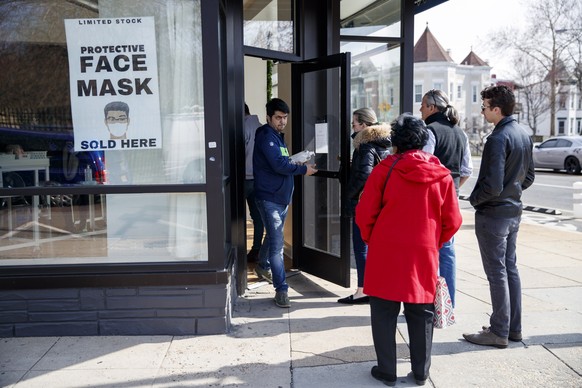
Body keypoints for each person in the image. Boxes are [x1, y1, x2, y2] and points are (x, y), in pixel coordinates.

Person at [356, 113, 462, 386]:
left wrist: (372, 239)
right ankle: (421, 371)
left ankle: (387, 371)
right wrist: (433, 242)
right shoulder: (442, 175)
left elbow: (365, 213)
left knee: (383, 313)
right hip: (423, 253)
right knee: (421, 314)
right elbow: (453, 221)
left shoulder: (385, 169)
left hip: (386, 252)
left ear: (396, 141)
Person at [463, 85, 535, 348]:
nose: (482, 112)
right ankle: (512, 328)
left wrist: (474, 200)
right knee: (510, 270)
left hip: (494, 215)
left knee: (498, 273)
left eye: (484, 107)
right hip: (513, 212)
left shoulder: (497, 138)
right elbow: (528, 177)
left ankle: (499, 330)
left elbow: (491, 186)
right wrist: (512, 192)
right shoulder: (523, 134)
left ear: (496, 109)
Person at [253, 98, 318, 308]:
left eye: (285, 118)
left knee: (273, 237)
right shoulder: (266, 136)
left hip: (281, 198)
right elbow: (279, 165)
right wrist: (302, 169)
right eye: (279, 117)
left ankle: (262, 266)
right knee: (277, 245)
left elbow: (283, 162)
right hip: (269, 198)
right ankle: (281, 289)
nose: (283, 121)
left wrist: (296, 160)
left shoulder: (278, 137)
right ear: (269, 117)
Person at [420, 89, 473, 307]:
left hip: (430, 198)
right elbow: (467, 170)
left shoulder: (430, 131)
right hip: (451, 198)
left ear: (432, 108)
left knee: (426, 250)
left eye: (423, 105)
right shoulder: (461, 133)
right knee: (447, 250)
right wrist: (451, 188)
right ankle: (447, 303)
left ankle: (425, 301)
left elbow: (423, 166)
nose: (420, 109)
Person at [337, 108, 391, 305]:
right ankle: (373, 288)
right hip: (378, 203)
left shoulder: (366, 146)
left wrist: (348, 194)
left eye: (354, 124)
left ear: (365, 126)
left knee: (361, 248)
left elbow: (363, 175)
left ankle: (363, 290)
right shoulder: (382, 146)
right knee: (372, 248)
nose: (353, 127)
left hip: (363, 205)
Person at [244, 103, 264, 262]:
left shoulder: (243, 127)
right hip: (258, 179)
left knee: (234, 216)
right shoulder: (261, 127)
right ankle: (256, 249)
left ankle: (236, 251)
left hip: (243, 179)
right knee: (257, 217)